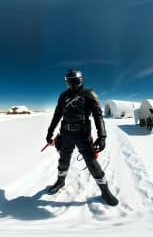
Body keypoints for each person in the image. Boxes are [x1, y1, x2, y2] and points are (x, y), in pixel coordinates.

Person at [46, 68, 118, 206]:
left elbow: (98, 116)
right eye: (69, 82)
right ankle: (60, 182)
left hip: (83, 134)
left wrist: (102, 136)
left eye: (75, 81)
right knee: (63, 160)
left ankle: (105, 191)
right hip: (66, 133)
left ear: (80, 80)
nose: (72, 84)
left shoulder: (89, 94)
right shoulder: (63, 96)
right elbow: (57, 115)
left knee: (92, 163)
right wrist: (50, 132)